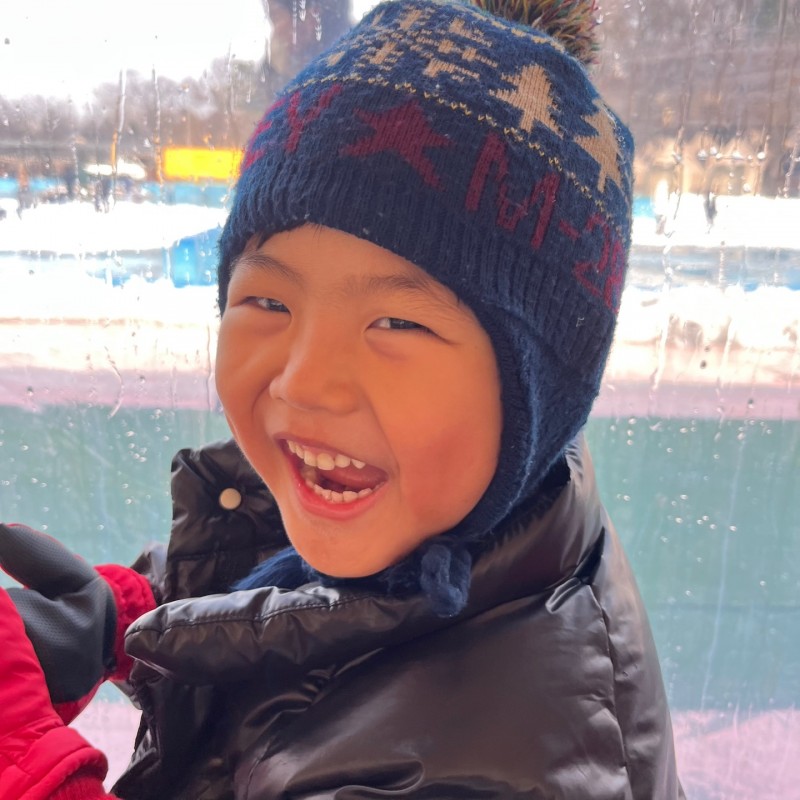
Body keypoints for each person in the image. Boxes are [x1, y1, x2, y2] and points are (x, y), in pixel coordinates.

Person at [0, 0, 685, 797]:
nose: (303, 381)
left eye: (397, 323)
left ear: (539, 389)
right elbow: (321, 627)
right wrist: (145, 619)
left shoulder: (515, 763)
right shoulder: (474, 509)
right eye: (268, 302)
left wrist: (25, 763)